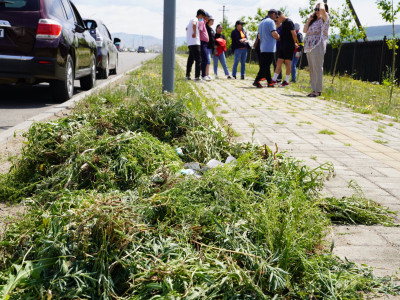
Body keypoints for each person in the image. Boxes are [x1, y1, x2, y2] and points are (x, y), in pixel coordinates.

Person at [303, 1, 330, 97]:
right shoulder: (314, 20)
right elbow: (304, 30)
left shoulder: (325, 18)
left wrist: (321, 3)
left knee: (318, 68)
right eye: (315, 9)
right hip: (309, 47)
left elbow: (322, 10)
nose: (317, 11)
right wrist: (309, 19)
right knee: (312, 69)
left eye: (318, 9)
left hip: (318, 45)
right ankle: (314, 89)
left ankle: (318, 90)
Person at [252, 9, 280, 88]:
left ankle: (269, 82)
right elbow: (274, 34)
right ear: (273, 14)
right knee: (265, 66)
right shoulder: (271, 22)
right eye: (276, 16)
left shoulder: (261, 23)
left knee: (266, 65)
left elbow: (259, 36)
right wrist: (278, 37)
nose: (276, 18)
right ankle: (256, 80)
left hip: (263, 47)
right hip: (270, 47)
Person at [271, 11, 298, 87]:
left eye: (277, 19)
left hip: (289, 46)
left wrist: (294, 43)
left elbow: (294, 34)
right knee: (278, 63)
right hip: (282, 46)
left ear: (280, 15)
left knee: (287, 63)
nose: (277, 21)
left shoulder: (289, 22)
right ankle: (274, 79)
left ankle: (286, 81)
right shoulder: (283, 23)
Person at [186, 9, 206, 81]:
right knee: (198, 59)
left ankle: (187, 75)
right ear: (200, 15)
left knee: (190, 60)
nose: (202, 19)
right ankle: (197, 77)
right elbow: (194, 24)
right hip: (195, 42)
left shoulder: (190, 20)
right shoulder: (195, 19)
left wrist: (191, 33)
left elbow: (186, 28)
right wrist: (194, 33)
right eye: (202, 17)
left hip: (190, 43)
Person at [199, 12, 210, 80]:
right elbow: (199, 30)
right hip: (202, 42)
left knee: (204, 59)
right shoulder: (201, 21)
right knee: (205, 59)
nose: (209, 18)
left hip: (204, 43)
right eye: (208, 17)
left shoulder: (203, 22)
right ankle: (203, 75)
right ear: (205, 16)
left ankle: (203, 74)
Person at [205, 16, 215, 80]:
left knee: (208, 60)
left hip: (211, 47)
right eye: (212, 20)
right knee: (208, 60)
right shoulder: (206, 28)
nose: (213, 21)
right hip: (207, 47)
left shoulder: (211, 29)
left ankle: (206, 73)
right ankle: (207, 74)